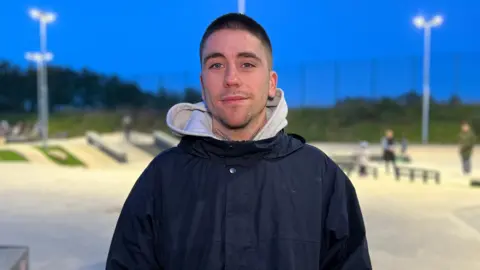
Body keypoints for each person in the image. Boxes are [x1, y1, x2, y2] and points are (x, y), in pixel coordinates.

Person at [106, 13, 371, 270]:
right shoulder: (161, 178)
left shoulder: (322, 176)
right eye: (216, 65)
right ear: (203, 83)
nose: (231, 79)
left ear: (271, 82)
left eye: (247, 64)